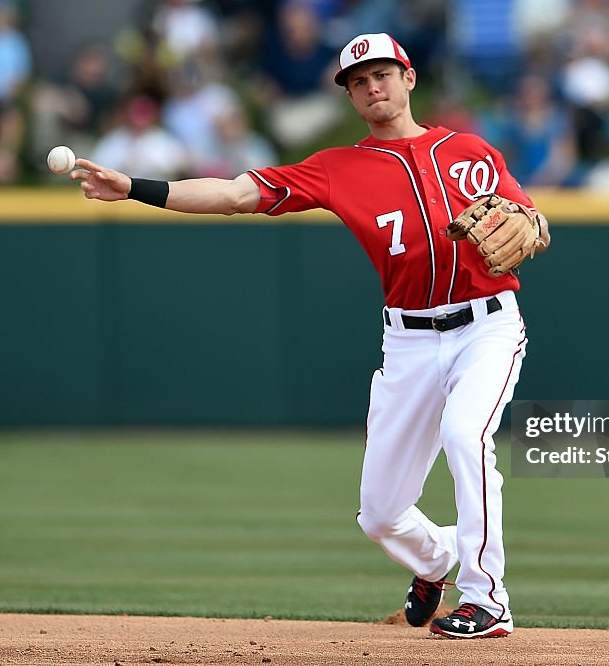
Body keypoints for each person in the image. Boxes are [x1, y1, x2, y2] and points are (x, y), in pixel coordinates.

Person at [70, 32, 551, 640]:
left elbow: (528, 221)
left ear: (408, 78)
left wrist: (533, 225)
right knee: (379, 515)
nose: (372, 87)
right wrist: (137, 188)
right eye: (358, 81)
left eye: (382, 74)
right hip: (408, 341)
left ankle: (488, 600)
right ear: (351, 96)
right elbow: (237, 193)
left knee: (466, 433)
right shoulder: (337, 169)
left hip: (488, 326)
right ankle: (436, 561)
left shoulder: (470, 150)